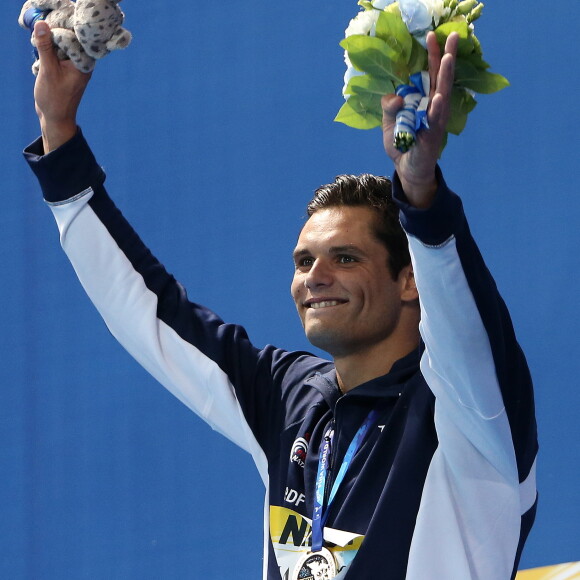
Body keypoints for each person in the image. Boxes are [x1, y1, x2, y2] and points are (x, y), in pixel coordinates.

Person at [24, 19, 537, 580]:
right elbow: (147, 310)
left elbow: (466, 322)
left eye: (345, 258)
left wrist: (418, 191)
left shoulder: (467, 409)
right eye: (303, 261)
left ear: (410, 279)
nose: (314, 276)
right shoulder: (288, 400)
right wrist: (58, 130)